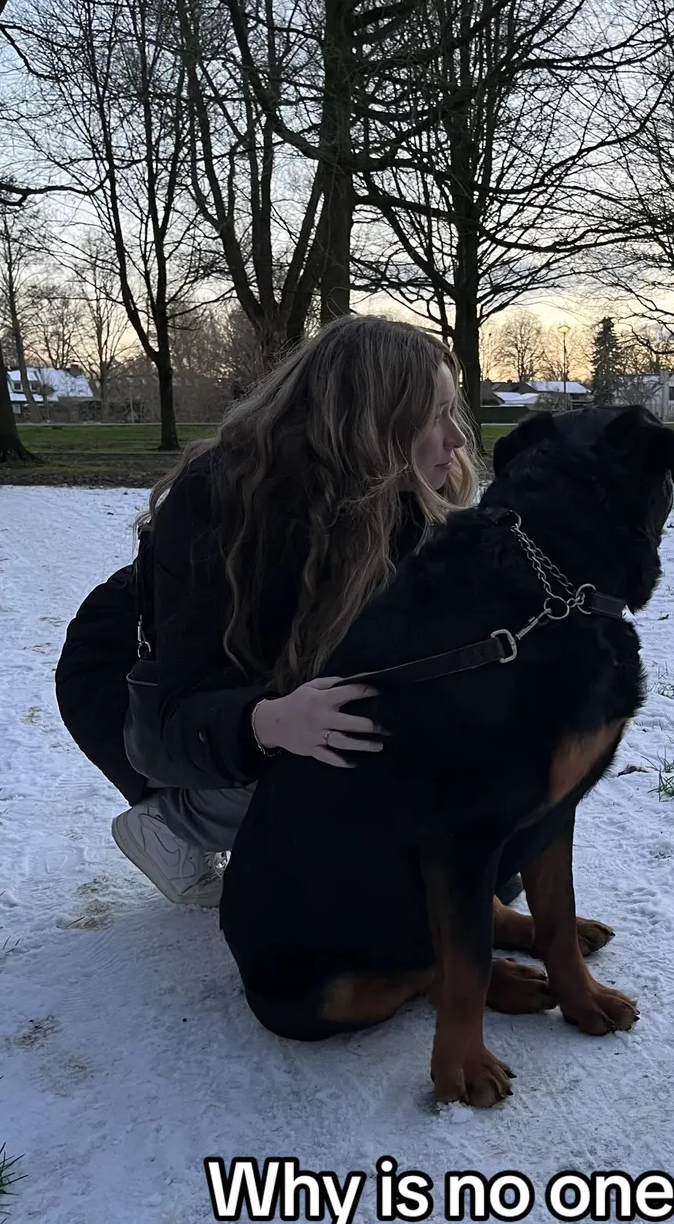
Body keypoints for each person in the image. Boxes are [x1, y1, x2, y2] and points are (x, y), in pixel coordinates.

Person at [55, 314, 521, 912]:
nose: (457, 439)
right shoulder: (222, 503)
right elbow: (174, 714)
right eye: (435, 415)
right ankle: (175, 821)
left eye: (453, 412)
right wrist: (270, 721)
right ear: (371, 422)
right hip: (137, 691)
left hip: (278, 678)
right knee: (333, 764)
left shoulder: (406, 499)